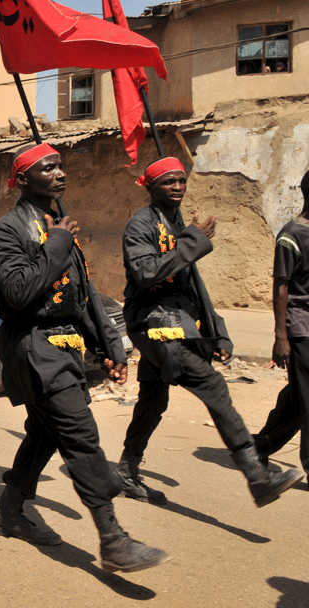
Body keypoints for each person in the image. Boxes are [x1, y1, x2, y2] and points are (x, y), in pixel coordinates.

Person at [0, 143, 168, 573]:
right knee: (81, 436)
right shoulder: (8, 230)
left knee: (46, 433)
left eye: (60, 167)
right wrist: (57, 244)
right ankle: (112, 539)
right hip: (32, 348)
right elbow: (16, 294)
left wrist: (109, 347)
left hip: (64, 347)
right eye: (48, 168)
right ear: (24, 179)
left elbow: (81, 297)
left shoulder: (57, 224)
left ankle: (8, 511)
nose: (60, 174)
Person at [116, 157, 304, 507]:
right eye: (168, 182)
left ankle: (126, 470)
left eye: (181, 180)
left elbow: (193, 283)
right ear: (149, 186)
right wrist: (192, 241)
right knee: (214, 387)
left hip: (178, 320)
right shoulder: (140, 224)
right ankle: (257, 475)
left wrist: (217, 330)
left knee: (153, 400)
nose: (177, 187)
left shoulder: (175, 221)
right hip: (154, 323)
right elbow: (144, 273)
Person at [255, 170, 309, 473]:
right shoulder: (291, 235)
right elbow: (281, 285)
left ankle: (258, 447)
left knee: (299, 397)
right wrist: (281, 336)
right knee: (307, 399)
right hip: (302, 327)